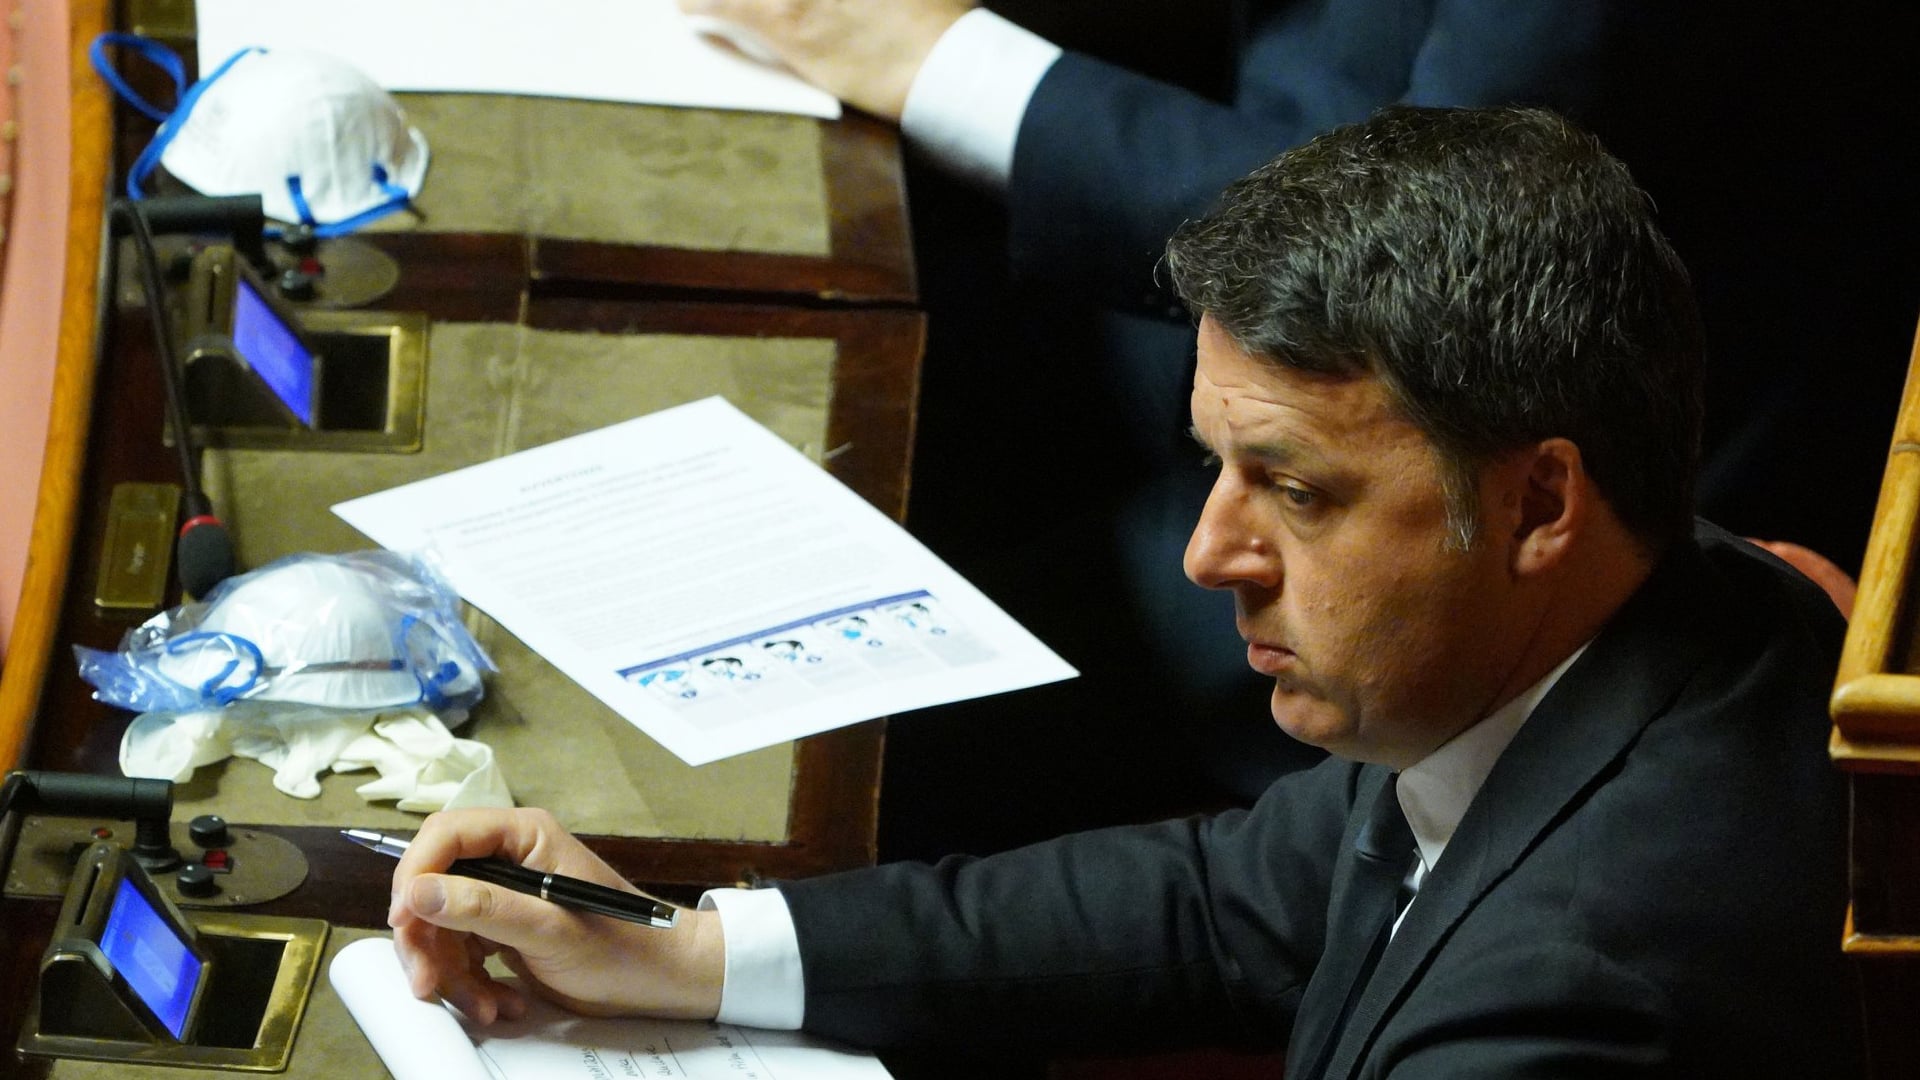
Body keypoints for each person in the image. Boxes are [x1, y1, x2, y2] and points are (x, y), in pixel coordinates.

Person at [390, 107, 1860, 1076]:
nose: (1210, 553)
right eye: (1217, 467)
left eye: (1296, 490)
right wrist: (685, 948)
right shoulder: (1651, 605)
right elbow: (1228, 904)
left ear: (1539, 502)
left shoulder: (1581, 1004)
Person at [671, 1, 1920, 859]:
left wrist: (947, 62)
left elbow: (1416, 252)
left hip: (1446, 522)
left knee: (812, 745)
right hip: (1214, 375)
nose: (1210, 556)